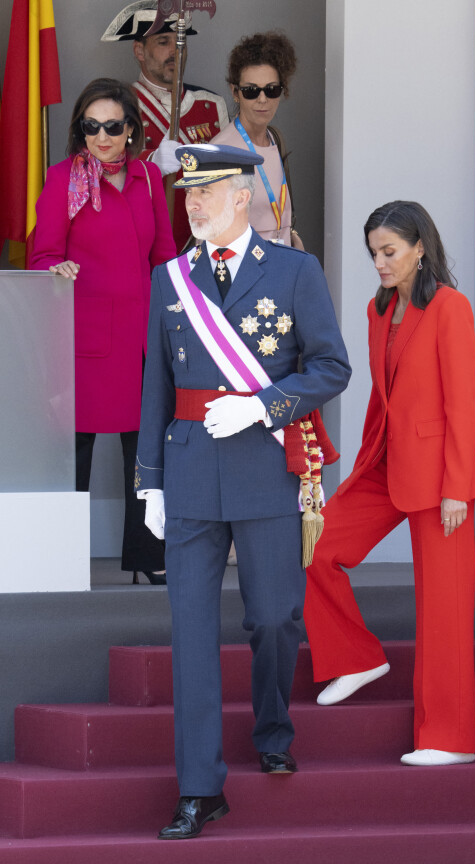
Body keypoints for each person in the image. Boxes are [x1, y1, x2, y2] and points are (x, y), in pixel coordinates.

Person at [135, 142, 351, 839]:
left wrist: (264, 405)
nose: (193, 203)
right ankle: (200, 788)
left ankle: (272, 723)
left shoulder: (293, 271)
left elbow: (330, 367)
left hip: (265, 465)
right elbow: (155, 389)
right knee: (191, 636)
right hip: (192, 468)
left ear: (242, 197)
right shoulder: (170, 278)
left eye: (208, 191)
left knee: (276, 617)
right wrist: (150, 483)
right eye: (188, 192)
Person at [303, 201, 475, 767]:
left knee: (445, 609)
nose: (379, 263)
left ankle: (448, 738)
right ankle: (356, 657)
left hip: (441, 479)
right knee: (314, 546)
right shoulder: (378, 310)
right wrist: (362, 462)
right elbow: (384, 397)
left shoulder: (451, 308)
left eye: (389, 252)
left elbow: (462, 404)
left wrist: (457, 486)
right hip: (384, 463)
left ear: (419, 249)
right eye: (374, 253)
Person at [31, 78, 176, 585]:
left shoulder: (149, 179)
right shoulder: (62, 179)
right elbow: (43, 253)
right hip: (86, 337)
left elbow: (164, 257)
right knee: (77, 450)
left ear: (131, 129)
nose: (101, 136)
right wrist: (58, 268)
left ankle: (146, 556)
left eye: (112, 126)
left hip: (141, 335)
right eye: (91, 127)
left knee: (146, 449)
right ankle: (57, 560)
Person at [101, 1, 229, 251]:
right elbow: (103, 182)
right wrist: (151, 165)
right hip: (141, 251)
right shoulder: (118, 108)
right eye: (163, 42)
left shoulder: (211, 105)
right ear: (139, 50)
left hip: (203, 251)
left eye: (180, 41)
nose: (175, 50)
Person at [212, 31, 303, 249]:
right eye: (251, 91)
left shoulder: (275, 139)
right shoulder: (220, 151)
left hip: (282, 267)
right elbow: (211, 236)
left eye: (272, 90)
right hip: (245, 273)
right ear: (235, 92)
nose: (262, 99)